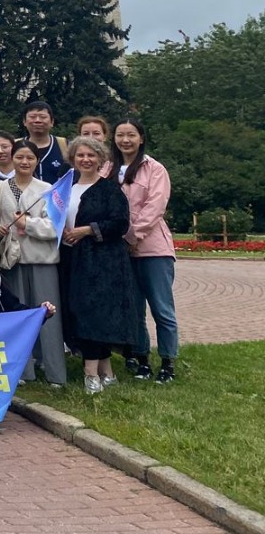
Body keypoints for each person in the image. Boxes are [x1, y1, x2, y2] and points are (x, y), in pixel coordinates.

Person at [61, 136, 137, 394]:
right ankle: (106, 370)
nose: (86, 160)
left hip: (103, 262)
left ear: (100, 159)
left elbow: (120, 223)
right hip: (72, 259)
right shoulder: (65, 188)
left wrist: (87, 230)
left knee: (95, 314)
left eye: (91, 155)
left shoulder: (110, 189)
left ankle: (90, 374)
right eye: (81, 155)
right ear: (73, 159)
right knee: (79, 312)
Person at [0, 139, 67, 386]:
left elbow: (56, 226)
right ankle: (23, 370)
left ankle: (54, 370)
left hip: (41, 259)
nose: (24, 162)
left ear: (36, 161)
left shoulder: (48, 189)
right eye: (20, 157)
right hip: (11, 259)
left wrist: (28, 225)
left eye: (30, 158)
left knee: (47, 314)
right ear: (12, 159)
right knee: (17, 316)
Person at [114, 118, 179, 383]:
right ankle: (142, 360)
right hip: (120, 250)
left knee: (161, 308)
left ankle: (167, 362)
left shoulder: (155, 169)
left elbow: (155, 207)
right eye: (120, 135)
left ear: (141, 138)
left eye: (131, 135)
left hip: (153, 249)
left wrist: (131, 236)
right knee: (134, 309)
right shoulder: (109, 167)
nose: (125, 140)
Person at [22, 100, 69, 184]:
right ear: (24, 122)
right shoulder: (16, 146)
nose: (37, 120)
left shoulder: (65, 145)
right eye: (32, 117)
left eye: (43, 117)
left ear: (52, 122)